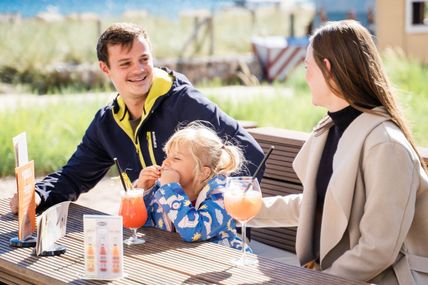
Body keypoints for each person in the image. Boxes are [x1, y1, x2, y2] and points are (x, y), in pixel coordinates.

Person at [9, 22, 264, 214]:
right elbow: (74, 176)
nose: (138, 70)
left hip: (204, 237)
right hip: (149, 235)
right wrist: (38, 195)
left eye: (144, 59)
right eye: (125, 63)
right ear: (105, 69)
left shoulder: (185, 103)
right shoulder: (108, 123)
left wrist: (207, 207)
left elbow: (251, 156)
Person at [248, 20, 428, 284]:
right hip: (333, 274)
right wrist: (247, 210)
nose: (306, 76)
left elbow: (379, 249)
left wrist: (318, 280)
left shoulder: (386, 145)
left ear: (328, 69)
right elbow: (318, 205)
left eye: (308, 67)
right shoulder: (330, 129)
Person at [140, 122, 250, 251]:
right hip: (183, 261)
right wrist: (143, 191)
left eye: (176, 158)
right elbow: (141, 226)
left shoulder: (222, 197)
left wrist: (170, 189)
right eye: (166, 156)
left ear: (203, 172)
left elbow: (193, 232)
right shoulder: (162, 190)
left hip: (222, 263)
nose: (165, 162)